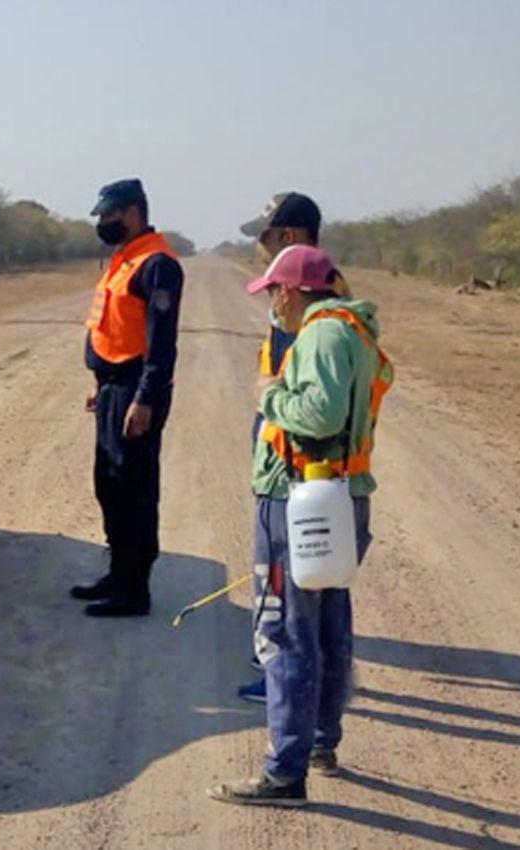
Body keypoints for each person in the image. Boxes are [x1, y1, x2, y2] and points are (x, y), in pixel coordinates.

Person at [208, 245, 392, 807]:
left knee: (287, 631)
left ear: (289, 291)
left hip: (296, 500)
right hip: (342, 496)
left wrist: (271, 397)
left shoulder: (319, 336)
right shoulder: (355, 332)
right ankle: (318, 743)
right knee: (330, 622)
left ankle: (284, 772)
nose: (272, 307)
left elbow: (318, 414)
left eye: (272, 294)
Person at [71, 178, 183, 618]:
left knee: (134, 489)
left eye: (109, 215)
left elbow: (160, 346)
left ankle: (135, 589)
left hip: (138, 390)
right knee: (110, 484)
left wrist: (144, 400)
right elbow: (111, 328)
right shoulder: (123, 259)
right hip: (114, 387)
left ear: (134, 212)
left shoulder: (158, 265)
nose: (103, 223)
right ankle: (118, 572)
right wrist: (100, 385)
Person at [235, 192, 328, 703]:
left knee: (282, 579)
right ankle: (286, 672)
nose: (257, 246)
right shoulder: (297, 294)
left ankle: (284, 680)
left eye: (264, 236)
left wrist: (270, 397)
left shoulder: (306, 301)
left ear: (289, 237)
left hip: (293, 465)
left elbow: (305, 398)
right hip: (280, 452)